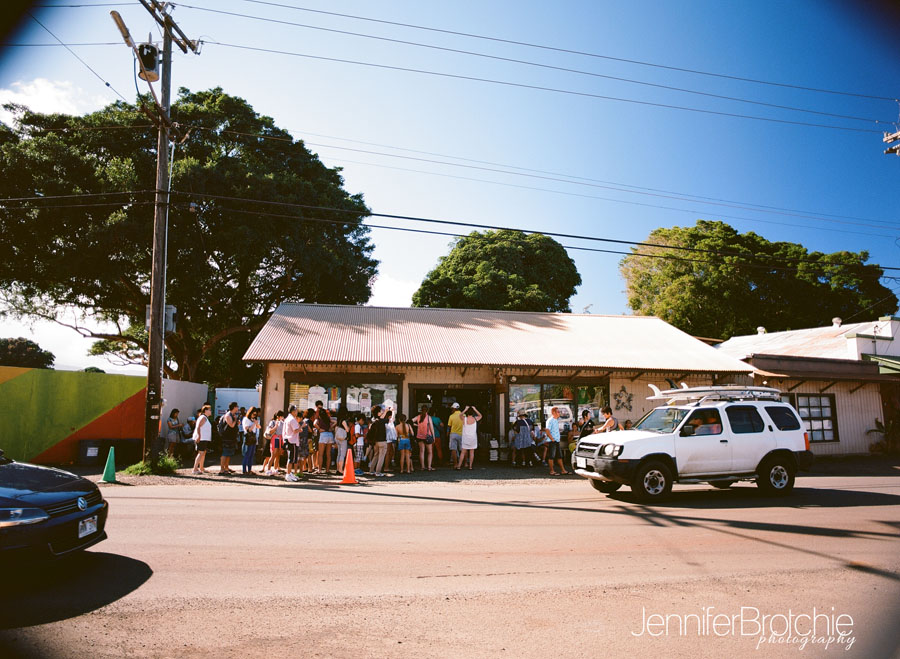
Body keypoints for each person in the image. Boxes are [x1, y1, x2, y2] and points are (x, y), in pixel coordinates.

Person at [543, 407, 570, 475]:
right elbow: (547, 430)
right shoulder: (550, 420)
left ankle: (563, 470)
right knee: (551, 456)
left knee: (559, 456)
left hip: (556, 441)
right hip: (552, 441)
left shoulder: (556, 420)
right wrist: (552, 439)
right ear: (553, 413)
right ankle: (552, 471)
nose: (559, 413)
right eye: (557, 412)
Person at [456, 405, 481, 470]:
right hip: (473, 438)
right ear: (473, 413)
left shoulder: (464, 419)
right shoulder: (475, 419)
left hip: (465, 438)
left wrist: (465, 409)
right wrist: (475, 409)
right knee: (472, 452)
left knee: (463, 452)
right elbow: (481, 415)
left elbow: (460, 415)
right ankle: (470, 466)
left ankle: (459, 466)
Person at [261, 410, 284, 476]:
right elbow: (270, 431)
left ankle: (275, 469)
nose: (282, 417)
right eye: (281, 416)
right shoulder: (273, 422)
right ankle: (268, 469)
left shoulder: (282, 422)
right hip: (275, 438)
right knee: (273, 454)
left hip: (280, 438)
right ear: (278, 416)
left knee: (278, 455)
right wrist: (276, 426)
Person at [219, 402, 240, 475]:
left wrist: (236, 421)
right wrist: (235, 420)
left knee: (229, 453)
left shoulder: (233, 415)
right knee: (225, 453)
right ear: (234, 407)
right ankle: (222, 469)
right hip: (226, 437)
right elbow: (231, 425)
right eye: (237, 406)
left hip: (231, 437)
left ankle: (226, 468)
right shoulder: (228, 415)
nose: (238, 408)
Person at [367, 406, 388, 476]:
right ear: (378, 413)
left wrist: (384, 412)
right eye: (380, 411)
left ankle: (371, 470)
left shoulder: (373, 420)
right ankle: (378, 472)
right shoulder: (381, 421)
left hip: (375, 441)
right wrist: (386, 411)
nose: (381, 412)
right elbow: (389, 420)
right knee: (381, 456)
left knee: (375, 455)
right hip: (382, 441)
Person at [282, 405, 302, 482]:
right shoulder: (292, 419)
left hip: (289, 439)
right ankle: (288, 474)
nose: (297, 412)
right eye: (296, 410)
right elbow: (295, 430)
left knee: (291, 458)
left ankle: (289, 473)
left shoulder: (288, 419)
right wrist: (301, 427)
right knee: (291, 459)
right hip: (292, 441)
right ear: (293, 411)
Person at [315, 405, 335, 476]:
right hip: (330, 434)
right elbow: (335, 422)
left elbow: (314, 424)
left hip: (323, 434)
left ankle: (319, 469)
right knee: (328, 454)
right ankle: (327, 469)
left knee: (321, 453)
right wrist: (331, 427)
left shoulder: (319, 419)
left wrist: (319, 429)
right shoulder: (328, 418)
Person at [192, 405, 212, 474]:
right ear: (205, 411)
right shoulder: (203, 417)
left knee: (203, 453)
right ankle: (195, 469)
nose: (210, 411)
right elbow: (198, 427)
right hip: (201, 438)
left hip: (204, 438)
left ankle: (201, 468)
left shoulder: (205, 418)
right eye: (209, 410)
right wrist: (199, 436)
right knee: (201, 453)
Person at [415, 405, 436, 471]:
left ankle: (422, 467)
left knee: (422, 451)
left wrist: (416, 425)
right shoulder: (428, 417)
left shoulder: (418, 417)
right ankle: (429, 467)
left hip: (419, 436)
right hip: (427, 436)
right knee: (429, 452)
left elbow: (409, 421)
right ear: (427, 410)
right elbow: (431, 428)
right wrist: (433, 436)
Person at [241, 406, 260, 475]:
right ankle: (244, 470)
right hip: (248, 437)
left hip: (254, 437)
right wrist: (254, 423)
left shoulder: (253, 420)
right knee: (247, 454)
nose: (254, 416)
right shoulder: (246, 419)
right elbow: (248, 429)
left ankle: (249, 470)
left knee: (252, 454)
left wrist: (256, 423)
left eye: (255, 414)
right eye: (253, 414)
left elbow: (259, 427)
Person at [447, 402, 464, 467]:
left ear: (454, 408)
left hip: (453, 434)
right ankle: (464, 463)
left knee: (453, 449)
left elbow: (449, 426)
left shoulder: (451, 416)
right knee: (463, 449)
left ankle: (455, 464)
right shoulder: (463, 415)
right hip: (462, 434)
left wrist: (447, 433)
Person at [335, 407, 351, 475]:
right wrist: (348, 427)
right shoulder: (343, 420)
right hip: (342, 439)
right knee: (342, 454)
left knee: (338, 454)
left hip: (337, 438)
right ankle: (341, 469)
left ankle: (337, 469)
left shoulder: (338, 420)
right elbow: (347, 430)